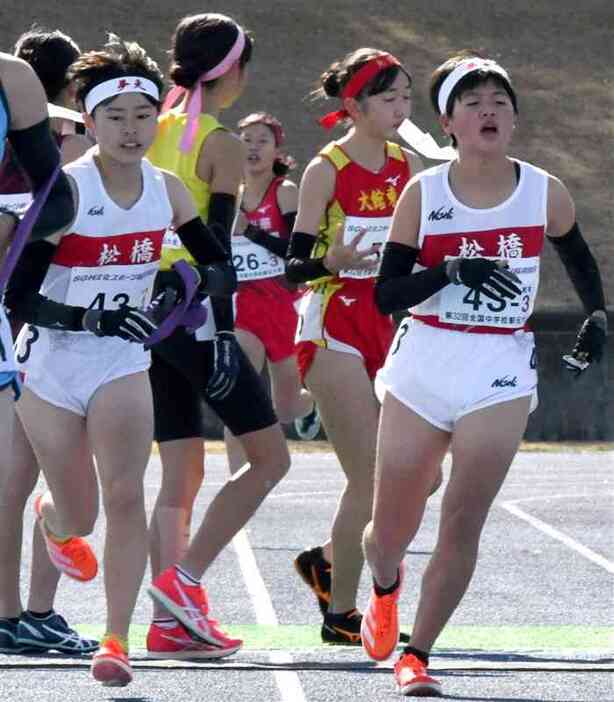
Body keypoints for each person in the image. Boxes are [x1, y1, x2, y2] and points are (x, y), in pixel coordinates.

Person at [359, 52, 607, 696]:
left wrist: (598, 314)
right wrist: (450, 271)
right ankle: (384, 588)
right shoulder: (426, 192)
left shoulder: (543, 190)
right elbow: (387, 295)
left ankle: (418, 653)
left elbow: (576, 254)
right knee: (389, 530)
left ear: (515, 118)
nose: (489, 110)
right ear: (449, 123)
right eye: (473, 102)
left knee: (463, 518)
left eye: (500, 99)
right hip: (424, 363)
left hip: (498, 366)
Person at [7, 34, 236, 686]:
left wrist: (180, 285)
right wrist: (90, 316)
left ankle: (116, 640)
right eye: (116, 117)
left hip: (120, 360)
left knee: (126, 497)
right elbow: (17, 296)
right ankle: (53, 521)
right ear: (89, 122)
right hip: (50, 363)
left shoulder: (168, 191)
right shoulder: (65, 194)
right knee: (80, 512)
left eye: (143, 116)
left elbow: (218, 264)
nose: (132, 130)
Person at [145, 13, 290, 659]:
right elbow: (218, 253)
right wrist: (227, 335)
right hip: (197, 318)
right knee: (270, 459)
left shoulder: (146, 126)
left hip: (144, 314)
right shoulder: (220, 140)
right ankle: (184, 582)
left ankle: (167, 621)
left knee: (181, 472)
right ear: (231, 70)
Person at [285, 48, 423, 644]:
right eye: (389, 98)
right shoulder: (326, 168)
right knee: (370, 479)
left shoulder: (407, 164)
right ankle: (341, 611)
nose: (400, 109)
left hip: (391, 323)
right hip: (334, 322)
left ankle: (324, 558)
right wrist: (329, 258)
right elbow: (292, 266)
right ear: (356, 106)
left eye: (406, 98)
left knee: (419, 474)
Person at [0, 27, 97, 657]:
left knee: (8, 476)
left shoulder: (13, 79)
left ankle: (12, 617)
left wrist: (9, 219)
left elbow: (55, 202)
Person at [222, 111, 319, 472]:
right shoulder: (231, 194)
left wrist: (251, 233)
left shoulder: (286, 192)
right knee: (239, 391)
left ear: (276, 149)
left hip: (284, 304)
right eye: (246, 139)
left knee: (287, 406)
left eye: (262, 140)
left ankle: (310, 406)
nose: (253, 147)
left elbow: (298, 251)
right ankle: (237, 479)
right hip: (245, 304)